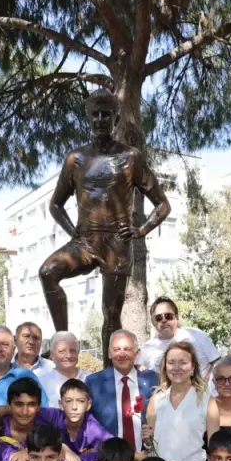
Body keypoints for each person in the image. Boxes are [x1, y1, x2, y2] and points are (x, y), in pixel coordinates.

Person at [40, 89, 172, 351]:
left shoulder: (130, 157)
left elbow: (163, 205)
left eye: (106, 115)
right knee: (48, 272)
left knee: (111, 314)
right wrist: (73, 232)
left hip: (116, 244)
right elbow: (55, 205)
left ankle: (110, 370)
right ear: (89, 118)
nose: (100, 119)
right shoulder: (76, 158)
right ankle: (64, 347)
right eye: (95, 115)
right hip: (84, 241)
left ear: (116, 119)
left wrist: (140, 231)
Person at [87, 329, 159, 453]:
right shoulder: (94, 382)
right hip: (110, 457)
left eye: (127, 349)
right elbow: (88, 421)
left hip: (147, 455)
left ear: (137, 353)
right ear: (109, 353)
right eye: (116, 349)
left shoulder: (152, 379)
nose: (121, 354)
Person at [145, 341, 210, 461]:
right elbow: (150, 444)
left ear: (192, 367)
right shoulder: (156, 400)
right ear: (165, 367)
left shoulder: (207, 400)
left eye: (183, 362)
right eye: (171, 362)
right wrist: (147, 440)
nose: (176, 367)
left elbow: (215, 446)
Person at [140, 296, 218, 376]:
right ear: (153, 322)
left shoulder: (196, 335)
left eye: (168, 316)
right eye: (158, 317)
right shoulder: (146, 349)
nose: (164, 320)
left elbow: (217, 362)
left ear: (176, 318)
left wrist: (205, 382)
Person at [37, 330, 85, 405]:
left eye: (72, 351)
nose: (68, 355)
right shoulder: (41, 382)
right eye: (62, 352)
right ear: (52, 355)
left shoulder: (90, 379)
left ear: (78, 352)